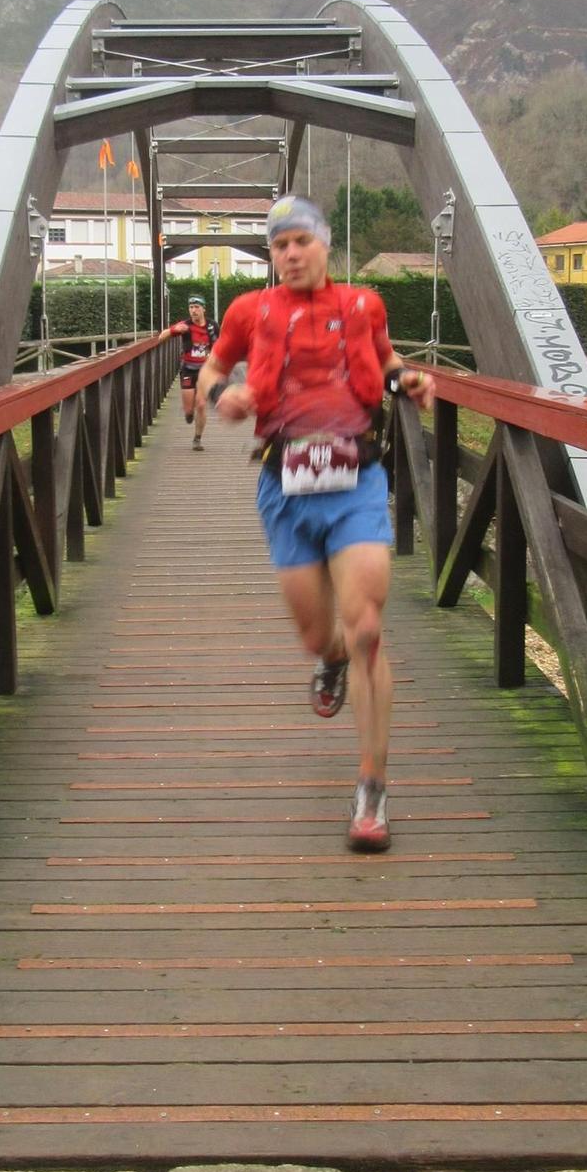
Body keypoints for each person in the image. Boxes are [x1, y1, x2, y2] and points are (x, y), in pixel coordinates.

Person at [195, 194, 434, 851]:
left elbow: (383, 364)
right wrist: (224, 396)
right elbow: (213, 368)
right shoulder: (251, 312)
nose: (292, 253)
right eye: (279, 245)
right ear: (271, 256)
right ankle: (326, 659)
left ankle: (370, 789)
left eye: (301, 240)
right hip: (284, 486)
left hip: (357, 480)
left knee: (366, 630)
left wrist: (406, 381)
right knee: (318, 633)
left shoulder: (363, 305)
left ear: (325, 244)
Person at [170, 295, 218, 450]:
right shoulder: (185, 325)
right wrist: (174, 330)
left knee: (202, 405)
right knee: (189, 408)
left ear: (203, 309)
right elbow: (160, 337)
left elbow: (222, 345)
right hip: (188, 369)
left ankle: (197, 439)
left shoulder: (212, 326)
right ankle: (189, 413)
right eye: (191, 307)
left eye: (197, 307)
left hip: (205, 370)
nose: (193, 310)